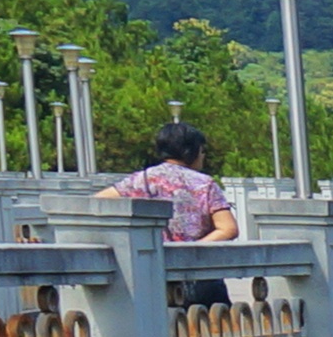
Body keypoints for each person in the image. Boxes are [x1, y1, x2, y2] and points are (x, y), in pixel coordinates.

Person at [102, 120, 238, 302]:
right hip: (198, 276)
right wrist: (190, 249)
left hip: (152, 272)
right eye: (202, 150)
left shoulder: (140, 180)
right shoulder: (204, 184)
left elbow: (98, 203)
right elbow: (228, 229)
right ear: (192, 151)